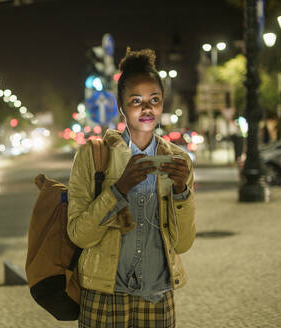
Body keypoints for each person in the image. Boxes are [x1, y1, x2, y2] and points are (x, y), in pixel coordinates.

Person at [67, 48, 196, 328]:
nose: (147, 108)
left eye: (154, 100)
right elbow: (79, 235)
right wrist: (119, 189)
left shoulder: (178, 161)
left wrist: (181, 191)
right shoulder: (93, 156)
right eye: (136, 100)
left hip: (157, 296)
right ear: (121, 105)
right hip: (104, 296)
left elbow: (183, 243)